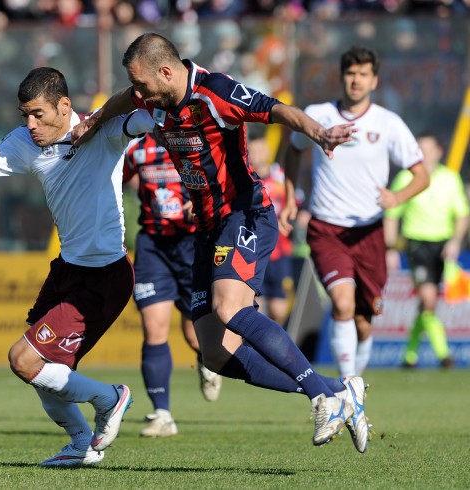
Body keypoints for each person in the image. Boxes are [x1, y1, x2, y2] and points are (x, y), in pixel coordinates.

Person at [71, 32, 370, 453]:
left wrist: (319, 133)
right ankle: (339, 391)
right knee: (213, 353)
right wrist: (94, 119)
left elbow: (276, 110)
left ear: (167, 71)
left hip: (244, 213)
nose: (138, 94)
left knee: (229, 308)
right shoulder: (152, 96)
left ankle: (322, 398)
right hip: (207, 227)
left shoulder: (216, 92)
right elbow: (124, 98)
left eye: (142, 85)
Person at [0, 67, 156, 467]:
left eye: (38, 114)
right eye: (24, 114)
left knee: (24, 360)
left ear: (64, 106)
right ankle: (81, 444)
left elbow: (151, 115)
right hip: (66, 270)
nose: (30, 124)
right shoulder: (25, 141)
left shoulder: (105, 130)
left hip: (105, 275)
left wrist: (172, 105)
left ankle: (111, 398)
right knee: (40, 369)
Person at [280, 46, 429, 380]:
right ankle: (348, 388)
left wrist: (397, 197)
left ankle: (356, 381)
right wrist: (290, 199)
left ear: (374, 80)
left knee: (364, 320)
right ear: (342, 77)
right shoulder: (319, 115)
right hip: (326, 228)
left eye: (363, 74)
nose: (356, 80)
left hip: (369, 232)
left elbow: (422, 175)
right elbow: (293, 150)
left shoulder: (388, 123)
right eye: (350, 73)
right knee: (342, 304)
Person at [123, 133, 221, 439]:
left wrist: (205, 202)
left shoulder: (194, 140)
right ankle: (162, 414)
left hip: (192, 245)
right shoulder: (135, 148)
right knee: (154, 328)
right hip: (152, 246)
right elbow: (112, 180)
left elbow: (219, 180)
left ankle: (207, 360)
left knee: (196, 337)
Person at [384, 131, 469, 369]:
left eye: (427, 148)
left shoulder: (450, 178)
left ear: (439, 151)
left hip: (443, 247)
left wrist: (455, 241)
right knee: (428, 299)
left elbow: (462, 214)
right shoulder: (405, 178)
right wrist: (390, 248)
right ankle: (444, 354)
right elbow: (392, 214)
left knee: (428, 305)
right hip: (417, 244)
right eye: (418, 148)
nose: (423, 153)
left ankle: (410, 356)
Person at [248, 135, 293, 327]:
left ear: (268, 151)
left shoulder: (281, 178)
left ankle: (278, 344)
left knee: (278, 309)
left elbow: (296, 204)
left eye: (260, 150)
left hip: (279, 252)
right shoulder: (245, 179)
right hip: (253, 252)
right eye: (253, 151)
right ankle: (260, 348)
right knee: (256, 305)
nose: (257, 155)